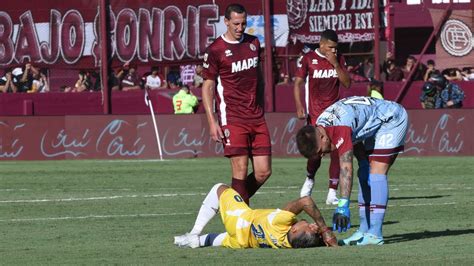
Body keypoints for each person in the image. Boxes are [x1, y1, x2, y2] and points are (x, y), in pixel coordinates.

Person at [296, 96, 409, 246]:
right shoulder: (322, 125)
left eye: (320, 151)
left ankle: (375, 234)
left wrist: (343, 205)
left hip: (392, 118)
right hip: (373, 123)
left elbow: (346, 167)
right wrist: (362, 162)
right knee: (365, 173)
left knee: (376, 172)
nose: (322, 155)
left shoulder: (339, 127)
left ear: (322, 137)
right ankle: (363, 230)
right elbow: (354, 136)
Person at [201, 4, 271, 204]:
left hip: (256, 116)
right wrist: (212, 121)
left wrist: (261, 106)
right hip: (232, 117)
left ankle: (231, 204)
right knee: (240, 170)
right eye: (236, 24)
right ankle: (242, 222)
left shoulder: (254, 43)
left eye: (243, 23)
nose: (240, 28)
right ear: (226, 22)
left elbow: (260, 78)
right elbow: (207, 87)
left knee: (263, 172)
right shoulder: (215, 50)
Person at [173, 183, 338, 249]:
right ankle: (193, 241)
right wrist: (323, 238)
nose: (312, 225)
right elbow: (311, 240)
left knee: (220, 188)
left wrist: (323, 229)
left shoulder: (281, 222)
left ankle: (194, 232)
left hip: (240, 220)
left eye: (309, 227)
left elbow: (306, 201)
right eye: (313, 228)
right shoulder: (288, 244)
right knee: (218, 239)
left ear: (294, 230)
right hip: (243, 242)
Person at [293, 29, 351, 205]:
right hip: (315, 115)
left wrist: (335, 64)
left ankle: (332, 192)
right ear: (322, 45)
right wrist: (298, 105)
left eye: (336, 48)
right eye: (331, 48)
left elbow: (347, 84)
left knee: (335, 151)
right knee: (315, 154)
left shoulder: (339, 59)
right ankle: (310, 178)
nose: (334, 51)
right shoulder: (308, 59)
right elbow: (297, 84)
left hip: (335, 115)